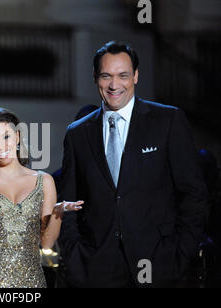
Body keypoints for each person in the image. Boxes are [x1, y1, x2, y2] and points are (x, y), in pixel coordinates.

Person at [58, 41, 208, 288]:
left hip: (160, 265)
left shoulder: (167, 121)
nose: (114, 85)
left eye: (123, 76)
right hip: (97, 270)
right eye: (106, 76)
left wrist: (180, 253)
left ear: (136, 76)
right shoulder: (77, 134)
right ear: (95, 77)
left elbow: (194, 194)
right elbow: (69, 203)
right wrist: (76, 256)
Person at [0, 107, 83, 288]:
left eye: (6, 137)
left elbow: (46, 242)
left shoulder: (44, 181)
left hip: (32, 282)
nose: (1, 146)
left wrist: (57, 213)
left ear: (18, 137)